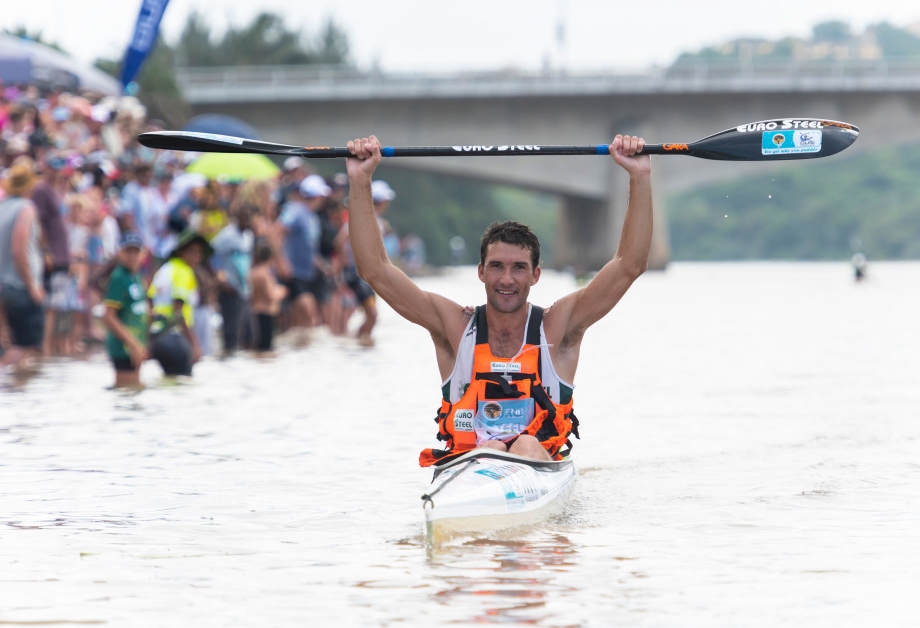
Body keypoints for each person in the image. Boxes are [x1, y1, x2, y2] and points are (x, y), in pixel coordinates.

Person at [344, 134, 652, 466]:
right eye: (497, 267)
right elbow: (373, 269)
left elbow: (629, 265)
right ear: (481, 272)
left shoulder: (558, 327)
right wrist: (360, 181)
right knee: (489, 449)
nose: (506, 279)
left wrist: (639, 176)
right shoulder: (453, 326)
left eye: (519, 268)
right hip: (470, 466)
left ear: (535, 276)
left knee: (522, 445)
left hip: (536, 465)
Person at [335, 180, 395, 346]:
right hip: (358, 274)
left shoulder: (376, 219)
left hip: (368, 276)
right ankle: (359, 342)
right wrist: (347, 265)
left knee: (368, 314)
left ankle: (358, 341)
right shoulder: (363, 217)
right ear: (381, 201)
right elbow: (340, 240)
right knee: (372, 314)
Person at [0, 161, 45, 372]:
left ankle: (17, 392)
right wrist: (32, 286)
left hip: (3, 285)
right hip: (19, 285)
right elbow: (18, 250)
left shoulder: (3, 206)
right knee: (25, 345)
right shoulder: (26, 209)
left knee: (9, 344)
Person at [147, 230, 210, 376]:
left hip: (158, 337)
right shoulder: (183, 272)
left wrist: (147, 340)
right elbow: (178, 312)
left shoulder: (165, 269)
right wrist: (194, 345)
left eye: (199, 253)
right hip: (174, 337)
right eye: (191, 252)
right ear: (181, 252)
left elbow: (149, 304)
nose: (196, 257)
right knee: (183, 383)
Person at [276, 174, 330, 336]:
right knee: (307, 312)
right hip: (294, 271)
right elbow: (277, 233)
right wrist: (281, 262)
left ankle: (300, 354)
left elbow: (310, 247)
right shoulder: (295, 210)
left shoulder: (312, 217)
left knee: (306, 320)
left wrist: (321, 265)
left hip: (308, 274)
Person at [101, 233, 148, 387]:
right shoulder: (118, 278)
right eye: (128, 252)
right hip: (123, 346)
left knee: (135, 389)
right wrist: (133, 343)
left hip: (136, 342)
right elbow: (108, 317)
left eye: (136, 252)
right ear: (119, 253)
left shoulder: (137, 277)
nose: (132, 256)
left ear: (142, 254)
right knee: (126, 389)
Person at [211, 205, 255, 353]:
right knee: (231, 333)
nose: (245, 220)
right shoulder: (226, 235)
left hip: (245, 289)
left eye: (248, 217)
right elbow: (211, 254)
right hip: (230, 288)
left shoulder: (249, 236)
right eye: (243, 217)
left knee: (248, 333)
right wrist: (220, 278)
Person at [249, 240, 287, 352]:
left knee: (258, 347)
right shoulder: (264, 274)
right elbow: (270, 296)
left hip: (254, 312)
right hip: (266, 313)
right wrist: (282, 291)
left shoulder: (252, 272)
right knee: (265, 349)